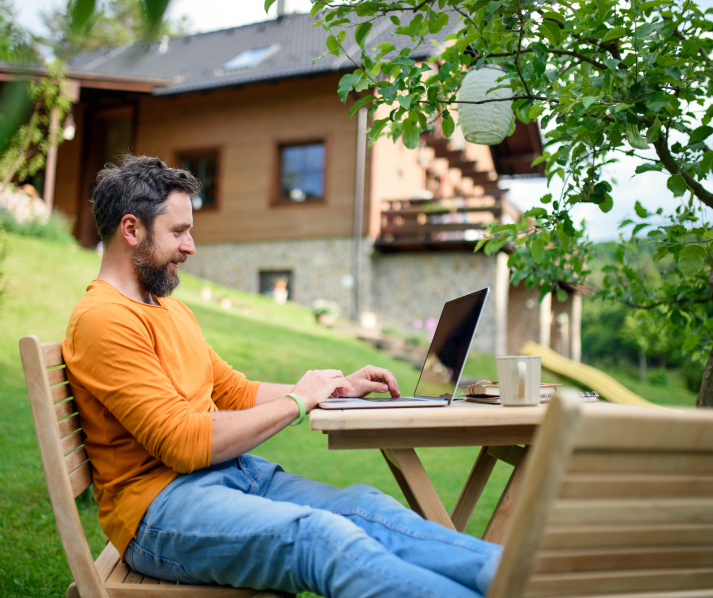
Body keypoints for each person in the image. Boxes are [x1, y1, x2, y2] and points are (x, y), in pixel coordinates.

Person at [62, 155, 502, 598]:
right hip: (160, 512)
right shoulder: (104, 320)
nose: (191, 246)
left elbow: (233, 391)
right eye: (178, 232)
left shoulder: (168, 308)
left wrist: (331, 387)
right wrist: (298, 402)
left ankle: (520, 581)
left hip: (233, 477)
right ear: (132, 229)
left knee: (369, 511)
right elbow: (182, 443)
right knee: (320, 540)